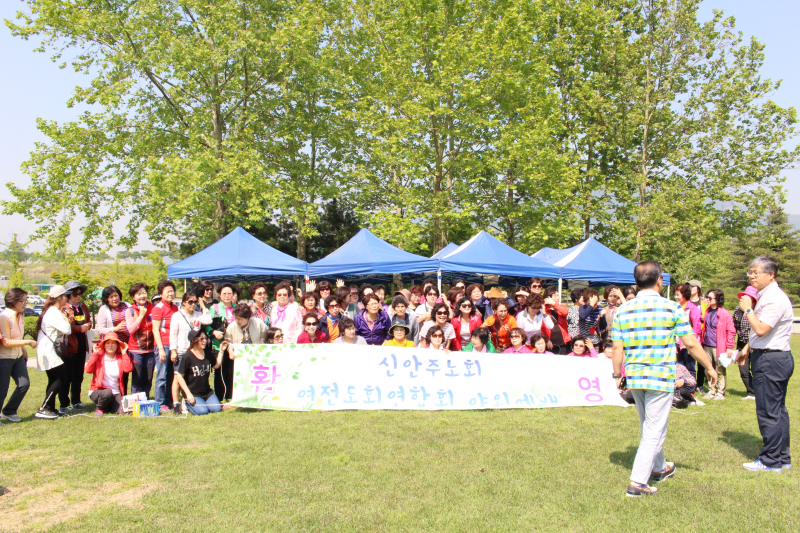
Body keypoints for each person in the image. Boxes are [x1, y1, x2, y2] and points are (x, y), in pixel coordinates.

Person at [611, 260, 718, 497]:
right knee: (653, 430)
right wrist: (710, 367)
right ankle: (637, 483)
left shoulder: (623, 310)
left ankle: (660, 468)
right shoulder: (672, 307)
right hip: (660, 376)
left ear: (636, 282)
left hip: (636, 376)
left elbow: (617, 348)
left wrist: (617, 374)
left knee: (648, 425)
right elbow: (691, 343)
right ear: (660, 280)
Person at [735, 256, 795, 472]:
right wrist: (747, 348)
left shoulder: (774, 298)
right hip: (771, 356)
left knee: (768, 411)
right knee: (777, 410)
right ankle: (782, 458)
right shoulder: (767, 296)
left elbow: (761, 329)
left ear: (771, 275)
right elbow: (762, 334)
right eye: (750, 272)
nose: (751, 276)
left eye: (756, 272)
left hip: (770, 360)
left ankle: (770, 461)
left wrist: (748, 309)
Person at [169, 292, 213, 413]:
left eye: (195, 302)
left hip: (195, 351)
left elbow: (208, 320)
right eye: (190, 302)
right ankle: (176, 404)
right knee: (177, 378)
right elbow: (173, 335)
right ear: (184, 302)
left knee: (193, 376)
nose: (193, 304)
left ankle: (188, 400)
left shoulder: (198, 315)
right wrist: (173, 351)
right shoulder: (177, 316)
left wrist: (202, 305)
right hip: (181, 350)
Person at [34, 285, 73, 419]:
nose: (67, 298)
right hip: (48, 349)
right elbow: (67, 330)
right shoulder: (54, 312)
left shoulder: (51, 311)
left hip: (47, 348)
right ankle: (44, 408)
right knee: (61, 378)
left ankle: (50, 408)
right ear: (59, 298)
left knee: (53, 379)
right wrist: (66, 318)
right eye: (65, 296)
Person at [0, 288, 35, 422]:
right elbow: (6, 341)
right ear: (13, 301)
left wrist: (23, 349)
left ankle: (9, 411)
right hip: (4, 358)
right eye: (22, 301)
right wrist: (27, 342)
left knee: (24, 384)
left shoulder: (20, 315)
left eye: (25, 300)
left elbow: (17, 337)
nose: (25, 303)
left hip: (17, 357)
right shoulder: (4, 317)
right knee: (2, 391)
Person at [175, 330, 224, 416]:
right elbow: (179, 376)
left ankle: (203, 402)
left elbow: (216, 365)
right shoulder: (187, 356)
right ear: (194, 340)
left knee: (217, 409)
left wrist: (221, 351)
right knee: (203, 411)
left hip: (206, 392)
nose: (205, 341)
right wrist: (188, 394)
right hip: (193, 393)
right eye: (201, 339)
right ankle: (185, 402)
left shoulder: (207, 353)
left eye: (205, 338)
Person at [60, 280, 92, 413]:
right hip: (69, 345)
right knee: (67, 376)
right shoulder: (64, 308)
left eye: (80, 294)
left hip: (81, 344)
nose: (78, 296)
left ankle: (76, 401)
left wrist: (87, 325)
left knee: (78, 375)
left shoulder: (83, 306)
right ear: (68, 295)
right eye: (75, 294)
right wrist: (79, 328)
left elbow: (89, 320)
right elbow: (65, 327)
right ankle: (64, 404)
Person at [84, 332, 132, 417]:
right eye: (108, 343)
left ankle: (106, 406)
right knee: (107, 393)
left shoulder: (120, 358)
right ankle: (99, 408)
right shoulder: (99, 357)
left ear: (117, 346)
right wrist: (94, 354)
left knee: (123, 411)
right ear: (104, 345)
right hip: (98, 391)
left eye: (113, 343)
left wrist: (124, 353)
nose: (110, 345)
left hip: (115, 392)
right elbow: (88, 370)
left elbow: (128, 369)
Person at [95, 285, 131, 394]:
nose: (114, 298)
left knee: (125, 372)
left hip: (127, 346)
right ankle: (113, 395)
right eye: (111, 297)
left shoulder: (127, 305)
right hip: (112, 347)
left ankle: (123, 396)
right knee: (114, 372)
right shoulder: (104, 309)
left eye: (116, 295)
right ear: (106, 299)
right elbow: (100, 329)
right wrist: (114, 329)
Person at [701, 289, 735, 400]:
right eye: (707, 297)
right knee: (708, 368)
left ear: (717, 299)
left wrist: (729, 347)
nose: (708, 300)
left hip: (719, 346)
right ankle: (711, 390)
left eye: (710, 298)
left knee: (720, 369)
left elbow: (731, 330)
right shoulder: (707, 311)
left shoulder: (724, 313)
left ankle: (720, 392)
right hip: (707, 344)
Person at [151, 280, 179, 412]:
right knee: (162, 375)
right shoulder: (158, 308)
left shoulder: (176, 308)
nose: (170, 294)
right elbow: (155, 330)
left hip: (174, 346)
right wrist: (161, 349)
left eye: (172, 291)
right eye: (167, 291)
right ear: (161, 293)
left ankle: (169, 401)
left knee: (172, 375)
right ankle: (160, 403)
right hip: (163, 345)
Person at [125, 283, 156, 399]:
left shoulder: (153, 308)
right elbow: (131, 330)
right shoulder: (130, 311)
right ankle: (135, 402)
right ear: (133, 297)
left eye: (144, 293)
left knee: (148, 378)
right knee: (137, 378)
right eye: (138, 294)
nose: (142, 296)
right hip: (136, 350)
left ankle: (145, 401)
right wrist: (141, 316)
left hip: (151, 349)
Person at [674, 283, 702, 391]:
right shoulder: (675, 308)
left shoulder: (693, 309)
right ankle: (679, 389)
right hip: (677, 343)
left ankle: (690, 390)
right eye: (675, 295)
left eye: (678, 295)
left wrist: (692, 345)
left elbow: (697, 328)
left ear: (685, 294)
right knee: (679, 367)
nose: (676, 297)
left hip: (688, 344)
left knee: (690, 367)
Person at [732, 286, 757, 400]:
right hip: (741, 343)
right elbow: (733, 326)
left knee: (756, 370)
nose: (743, 300)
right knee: (744, 370)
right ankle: (751, 392)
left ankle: (758, 392)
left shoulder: (757, 311)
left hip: (755, 344)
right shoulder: (738, 310)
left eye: (747, 298)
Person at [542, 286, 571, 355]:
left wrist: (554, 303)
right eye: (555, 296)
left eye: (558, 295)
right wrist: (546, 340)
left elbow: (565, 312)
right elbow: (542, 327)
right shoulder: (544, 309)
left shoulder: (561, 307)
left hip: (562, 341)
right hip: (549, 342)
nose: (558, 298)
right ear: (549, 297)